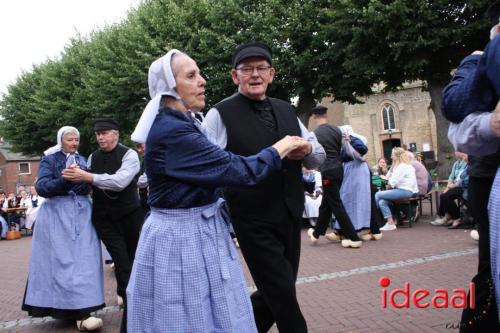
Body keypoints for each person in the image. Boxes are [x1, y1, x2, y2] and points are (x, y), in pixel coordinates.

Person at [126, 49, 309, 333]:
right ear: (169, 86)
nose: (202, 81)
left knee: (219, 307)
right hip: (181, 238)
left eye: (199, 73)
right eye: (191, 75)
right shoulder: (176, 131)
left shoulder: (184, 123)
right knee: (187, 311)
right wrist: (282, 146)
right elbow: (239, 171)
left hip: (201, 230)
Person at [203, 42, 325, 332]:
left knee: (278, 291)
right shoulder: (219, 115)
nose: (254, 75)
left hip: (290, 212)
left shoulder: (287, 111)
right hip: (252, 217)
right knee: (283, 295)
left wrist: (307, 147)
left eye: (260, 69)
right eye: (247, 70)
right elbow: (209, 165)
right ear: (235, 76)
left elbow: (318, 157)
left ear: (271, 73)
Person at [443, 3, 500, 330]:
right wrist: (490, 54)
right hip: (489, 175)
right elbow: (453, 105)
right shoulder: (479, 58)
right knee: (490, 265)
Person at [61, 118, 143, 333]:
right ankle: (131, 312)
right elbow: (85, 185)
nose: (100, 137)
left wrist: (87, 176)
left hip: (130, 216)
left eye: (105, 133)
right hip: (104, 218)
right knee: (121, 261)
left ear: (116, 134)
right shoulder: (92, 157)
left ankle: (129, 295)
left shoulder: (130, 155)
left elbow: (119, 181)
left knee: (134, 258)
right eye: (98, 134)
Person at [22, 126, 104, 331]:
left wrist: (89, 179)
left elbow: (89, 185)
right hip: (57, 215)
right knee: (62, 262)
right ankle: (68, 309)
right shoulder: (50, 159)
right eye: (70, 139)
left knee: (85, 261)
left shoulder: (84, 160)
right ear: (61, 140)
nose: (75, 143)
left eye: (77, 139)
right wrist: (65, 179)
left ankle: (84, 307)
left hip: (82, 213)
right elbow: (42, 188)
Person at [305, 106, 362, 248]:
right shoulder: (338, 130)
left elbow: (314, 155)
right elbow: (342, 150)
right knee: (327, 202)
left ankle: (354, 238)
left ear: (314, 117)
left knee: (335, 203)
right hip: (339, 169)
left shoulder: (314, 134)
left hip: (327, 170)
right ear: (326, 116)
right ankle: (316, 233)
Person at [375, 147, 418, 231]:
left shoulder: (402, 166)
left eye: (392, 155)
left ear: (397, 156)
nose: (391, 157)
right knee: (382, 201)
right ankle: (390, 223)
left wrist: (387, 180)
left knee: (378, 194)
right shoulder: (404, 166)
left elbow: (391, 183)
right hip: (406, 190)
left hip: (404, 191)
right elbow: (391, 179)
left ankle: (373, 219)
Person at [431, 152, 468, 228]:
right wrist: (448, 187)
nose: (456, 153)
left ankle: (456, 218)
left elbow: (464, 180)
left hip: (464, 187)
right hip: (455, 185)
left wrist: (454, 185)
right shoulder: (456, 163)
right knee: (443, 195)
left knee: (447, 196)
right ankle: (447, 216)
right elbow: (451, 177)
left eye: (458, 151)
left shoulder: (468, 164)